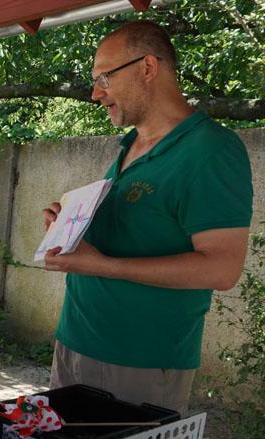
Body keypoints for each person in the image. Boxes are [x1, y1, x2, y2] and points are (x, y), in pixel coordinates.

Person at [41, 20, 253, 415]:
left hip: (139, 362)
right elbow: (134, 232)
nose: (95, 93)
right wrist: (69, 227)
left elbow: (222, 269)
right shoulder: (131, 145)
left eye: (104, 77)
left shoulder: (211, 150)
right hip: (75, 340)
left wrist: (104, 266)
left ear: (148, 67)